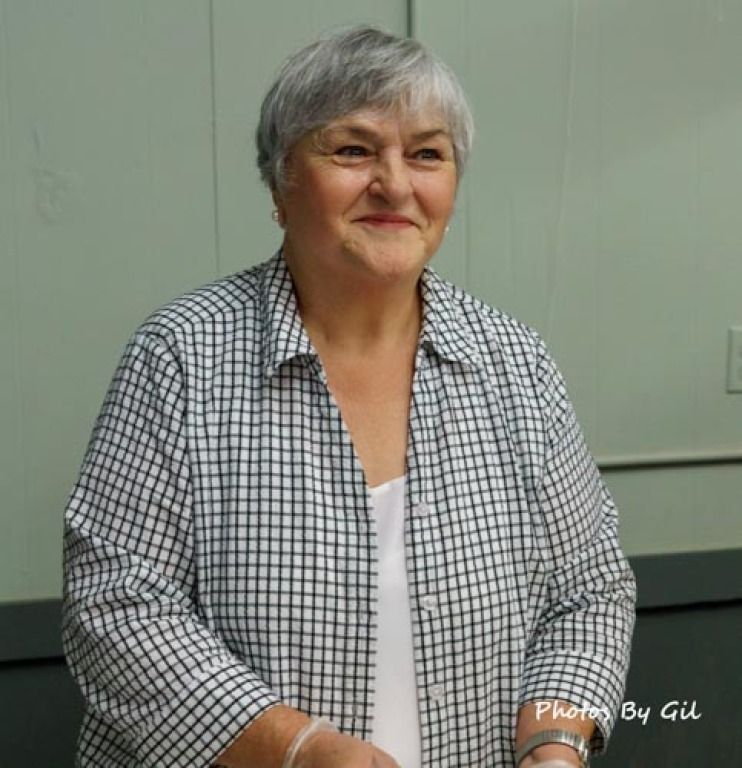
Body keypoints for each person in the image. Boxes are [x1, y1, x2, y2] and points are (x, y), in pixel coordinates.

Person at [62, 25, 636, 768]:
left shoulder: (513, 362)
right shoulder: (181, 357)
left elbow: (588, 592)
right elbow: (117, 605)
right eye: (354, 150)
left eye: (426, 153)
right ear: (280, 181)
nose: (395, 184)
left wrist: (555, 743)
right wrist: (297, 750)